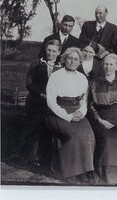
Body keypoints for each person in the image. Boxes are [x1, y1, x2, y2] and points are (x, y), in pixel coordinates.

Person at [45, 47, 95, 182]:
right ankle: (69, 171)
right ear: (64, 59)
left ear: (80, 62)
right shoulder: (56, 75)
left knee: (89, 134)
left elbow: (84, 101)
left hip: (77, 111)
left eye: (75, 59)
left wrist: (81, 113)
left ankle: (85, 169)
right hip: (58, 113)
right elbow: (50, 101)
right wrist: (68, 117)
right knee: (75, 135)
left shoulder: (82, 78)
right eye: (69, 58)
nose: (72, 61)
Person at [19, 39, 62, 167]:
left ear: (59, 52)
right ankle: (25, 159)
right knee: (32, 132)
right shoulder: (36, 64)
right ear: (45, 50)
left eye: (54, 51)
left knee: (47, 133)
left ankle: (44, 161)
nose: (50, 53)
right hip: (36, 103)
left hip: (52, 105)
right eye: (48, 50)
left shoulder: (61, 67)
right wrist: (41, 95)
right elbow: (29, 84)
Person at [87, 54, 117, 185]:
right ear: (102, 65)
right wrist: (99, 120)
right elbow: (90, 105)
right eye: (106, 64)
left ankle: (115, 179)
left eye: (111, 64)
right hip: (100, 118)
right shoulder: (94, 82)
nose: (108, 67)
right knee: (106, 141)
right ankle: (101, 179)